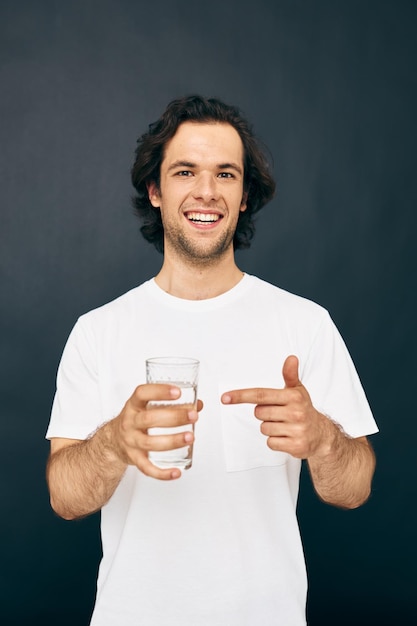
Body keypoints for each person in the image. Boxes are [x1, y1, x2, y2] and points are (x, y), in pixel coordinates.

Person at [46, 95, 378, 626]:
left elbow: (355, 487)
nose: (207, 191)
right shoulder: (98, 332)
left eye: (226, 174)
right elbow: (65, 498)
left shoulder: (304, 323)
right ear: (155, 190)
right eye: (185, 171)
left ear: (245, 195)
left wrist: (322, 437)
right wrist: (113, 442)